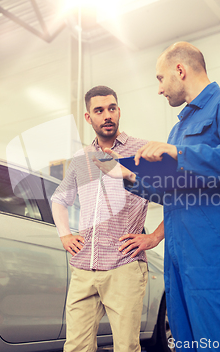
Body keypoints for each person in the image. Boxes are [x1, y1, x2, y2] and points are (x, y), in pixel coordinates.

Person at [101, 42, 220, 352]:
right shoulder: (178, 130)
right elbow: (172, 191)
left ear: (180, 70)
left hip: (215, 257)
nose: (159, 90)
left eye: (160, 79)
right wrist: (128, 176)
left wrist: (179, 153)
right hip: (180, 259)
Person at [51, 85, 150, 352]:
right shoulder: (81, 158)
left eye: (112, 108)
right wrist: (65, 234)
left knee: (126, 348)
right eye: (99, 110)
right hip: (84, 267)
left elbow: (176, 196)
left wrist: (152, 237)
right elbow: (59, 199)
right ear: (88, 117)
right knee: (75, 348)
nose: (107, 115)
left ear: (119, 111)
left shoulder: (141, 150)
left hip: (124, 265)